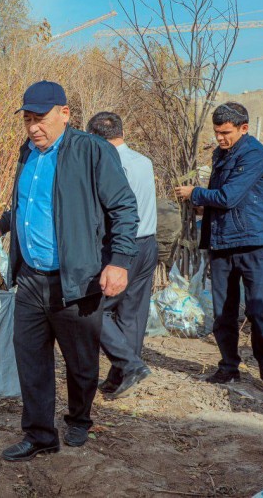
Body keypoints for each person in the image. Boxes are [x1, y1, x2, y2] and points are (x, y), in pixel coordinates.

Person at [0, 81, 139, 461]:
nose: (34, 128)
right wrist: (3, 225)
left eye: (41, 119)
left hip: (77, 279)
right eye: (29, 120)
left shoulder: (92, 151)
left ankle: (79, 419)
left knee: (81, 362)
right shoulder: (28, 153)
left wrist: (119, 262)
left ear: (64, 114)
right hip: (31, 277)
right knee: (30, 359)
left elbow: (123, 209)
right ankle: (39, 435)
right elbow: (31, 203)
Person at [175, 102, 263, 384]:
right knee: (223, 311)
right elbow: (222, 198)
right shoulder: (221, 154)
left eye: (226, 132)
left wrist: (195, 193)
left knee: (257, 308)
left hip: (253, 242)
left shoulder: (254, 155)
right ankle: (229, 366)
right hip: (222, 242)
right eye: (217, 132)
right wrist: (202, 208)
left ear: (244, 128)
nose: (220, 137)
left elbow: (229, 196)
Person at [86, 112, 158, 398]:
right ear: (121, 132)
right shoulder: (143, 161)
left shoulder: (107, 162)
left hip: (121, 245)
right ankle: (121, 376)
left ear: (93, 137)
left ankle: (129, 365)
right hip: (147, 243)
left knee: (93, 307)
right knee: (132, 314)